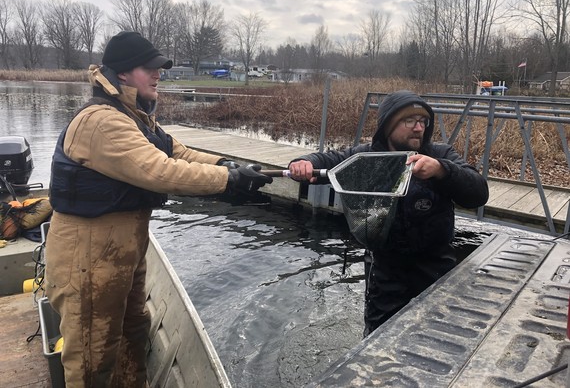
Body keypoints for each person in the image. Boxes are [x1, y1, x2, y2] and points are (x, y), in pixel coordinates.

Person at [45, 31, 272, 387]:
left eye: (160, 68)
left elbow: (176, 151)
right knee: (92, 358)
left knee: (134, 333)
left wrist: (226, 163)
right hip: (86, 260)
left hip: (123, 255)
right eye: (148, 67)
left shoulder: (134, 116)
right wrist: (228, 181)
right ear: (121, 73)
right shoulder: (102, 121)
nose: (158, 74)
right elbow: (159, 169)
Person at [288, 90, 489, 337]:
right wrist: (303, 161)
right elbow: (328, 160)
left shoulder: (440, 155)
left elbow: (479, 193)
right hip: (385, 272)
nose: (418, 128)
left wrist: (442, 170)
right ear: (388, 126)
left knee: (436, 339)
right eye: (409, 121)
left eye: (423, 121)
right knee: (377, 342)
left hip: (437, 268)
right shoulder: (366, 157)